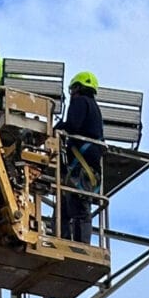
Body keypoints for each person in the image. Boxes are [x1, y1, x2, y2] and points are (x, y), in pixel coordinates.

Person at [53, 71, 104, 244]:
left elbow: (73, 125)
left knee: (75, 207)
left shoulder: (80, 101)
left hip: (81, 166)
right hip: (89, 167)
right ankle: (69, 242)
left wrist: (57, 129)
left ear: (77, 88)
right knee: (69, 205)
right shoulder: (95, 108)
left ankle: (75, 245)